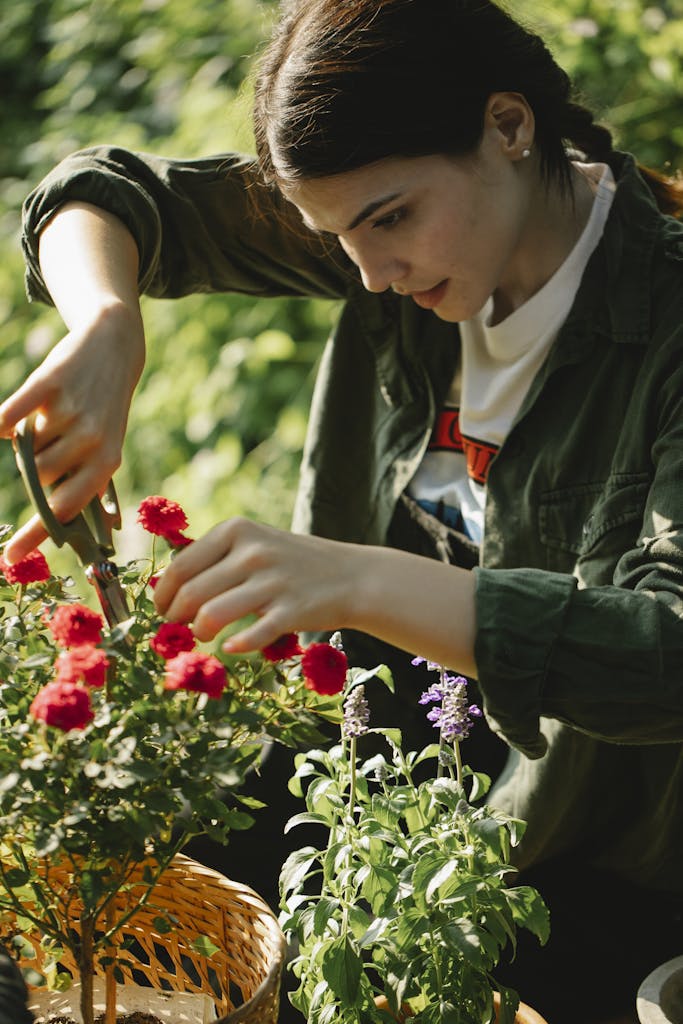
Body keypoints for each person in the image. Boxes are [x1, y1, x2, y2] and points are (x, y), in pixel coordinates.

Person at [2, 1, 682, 1021]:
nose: (366, 274)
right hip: (357, 778)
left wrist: (355, 577)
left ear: (508, 126)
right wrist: (108, 321)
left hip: (574, 863)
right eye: (335, 238)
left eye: (387, 221)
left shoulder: (662, 322)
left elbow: (664, 655)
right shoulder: (390, 237)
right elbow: (102, 191)